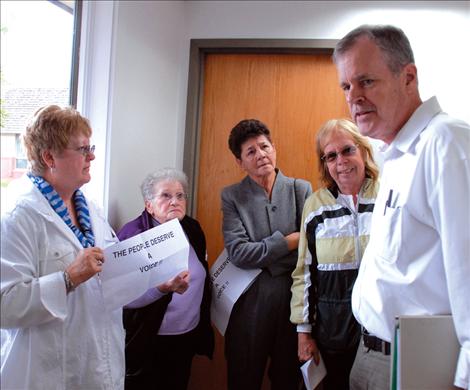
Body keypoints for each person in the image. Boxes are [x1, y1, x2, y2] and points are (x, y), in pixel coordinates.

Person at [333, 24, 470, 389]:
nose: (354, 97)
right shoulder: (393, 154)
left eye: (366, 81)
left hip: (412, 364)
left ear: (408, 77)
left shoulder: (445, 142)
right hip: (369, 353)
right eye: (347, 86)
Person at [0, 105, 124, 389]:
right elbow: (4, 304)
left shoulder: (91, 209)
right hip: (47, 373)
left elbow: (111, 272)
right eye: (82, 149)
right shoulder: (16, 216)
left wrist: (156, 281)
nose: (91, 156)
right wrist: (67, 279)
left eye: (89, 147)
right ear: (49, 157)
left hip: (96, 364)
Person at [221, 118, 312, 390]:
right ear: (240, 162)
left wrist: (264, 251)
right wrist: (288, 243)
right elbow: (238, 253)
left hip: (293, 302)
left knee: (287, 380)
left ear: (274, 148)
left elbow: (310, 249)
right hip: (250, 303)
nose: (260, 155)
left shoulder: (300, 189)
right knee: (244, 377)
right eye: (251, 151)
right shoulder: (232, 196)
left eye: (264, 146)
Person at [290, 118, 379, 389]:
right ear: (325, 163)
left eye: (347, 150)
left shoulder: (388, 195)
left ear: (363, 151)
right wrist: (303, 332)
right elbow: (303, 273)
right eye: (331, 155)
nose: (340, 161)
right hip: (333, 328)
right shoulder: (315, 206)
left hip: (380, 328)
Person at [117, 168, 214, 390]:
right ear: (148, 204)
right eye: (166, 195)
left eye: (180, 196)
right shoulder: (134, 235)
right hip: (149, 339)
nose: (175, 201)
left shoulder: (192, 228)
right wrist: (163, 288)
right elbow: (122, 295)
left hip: (186, 335)